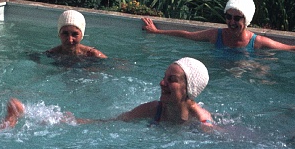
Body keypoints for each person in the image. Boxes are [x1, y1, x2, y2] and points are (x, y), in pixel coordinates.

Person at [141, 0, 295, 56]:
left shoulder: (256, 43)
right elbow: (186, 35)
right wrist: (156, 32)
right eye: (228, 17)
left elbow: (291, 48)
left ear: (246, 20)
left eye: (237, 18)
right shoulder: (216, 35)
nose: (231, 21)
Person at [70, 57, 214, 128]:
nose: (162, 83)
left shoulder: (202, 124)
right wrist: (73, 121)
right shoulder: (154, 109)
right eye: (164, 77)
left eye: (172, 79)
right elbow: (112, 121)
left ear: (188, 89)